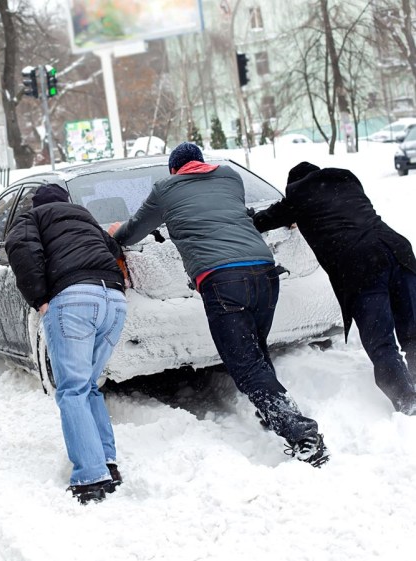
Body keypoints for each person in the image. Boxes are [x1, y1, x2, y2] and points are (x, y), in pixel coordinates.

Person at [109, 142, 329, 467]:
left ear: (174, 170)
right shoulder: (230, 177)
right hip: (265, 274)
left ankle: (301, 434)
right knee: (255, 351)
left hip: (223, 281)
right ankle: (273, 412)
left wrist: (116, 234)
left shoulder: (165, 189)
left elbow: (133, 232)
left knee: (245, 366)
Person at [252, 162, 416, 415]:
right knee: (412, 331)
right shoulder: (347, 180)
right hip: (397, 249)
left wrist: (287, 214)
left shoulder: (297, 196)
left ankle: (407, 402)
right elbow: (338, 209)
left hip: (362, 264)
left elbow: (261, 221)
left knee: (381, 342)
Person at [5, 183, 128, 504]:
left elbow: (20, 248)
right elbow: (113, 249)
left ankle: (90, 476)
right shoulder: (85, 217)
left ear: (37, 204)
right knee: (88, 386)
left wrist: (38, 297)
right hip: (114, 301)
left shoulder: (32, 218)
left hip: (74, 300)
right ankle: (107, 463)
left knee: (72, 390)